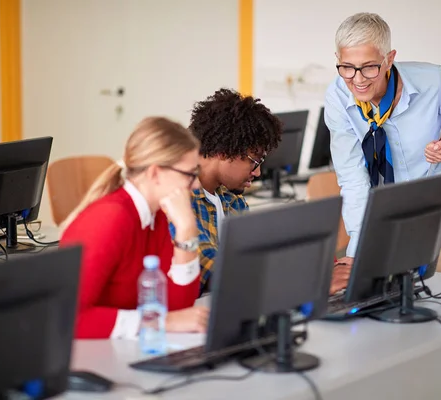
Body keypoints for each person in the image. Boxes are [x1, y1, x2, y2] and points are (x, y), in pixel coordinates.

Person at [325, 13, 441, 276]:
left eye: (369, 67)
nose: (358, 79)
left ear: (389, 59)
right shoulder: (337, 98)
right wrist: (358, 249)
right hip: (392, 224)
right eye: (347, 67)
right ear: (338, 61)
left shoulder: (432, 82)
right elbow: (352, 178)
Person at [171, 88, 352, 296]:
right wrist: (309, 282)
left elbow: (252, 259)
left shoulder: (230, 198)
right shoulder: (180, 197)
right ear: (223, 152)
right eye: (254, 161)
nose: (257, 172)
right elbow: (215, 273)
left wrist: (312, 266)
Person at [59, 116, 208, 339]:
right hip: (86, 356)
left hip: (117, 349)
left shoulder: (154, 217)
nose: (196, 184)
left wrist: (187, 230)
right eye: (190, 175)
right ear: (155, 173)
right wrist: (160, 322)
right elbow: (67, 319)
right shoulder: (111, 218)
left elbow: (179, 306)